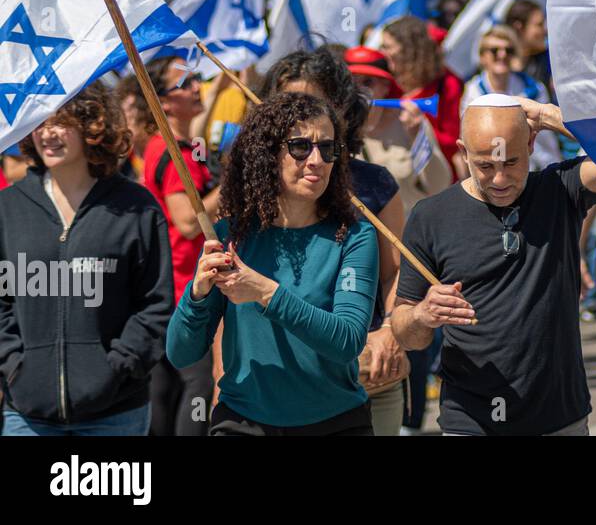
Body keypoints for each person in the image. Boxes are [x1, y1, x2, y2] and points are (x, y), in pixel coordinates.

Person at [391, 95, 596, 435]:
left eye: (511, 162)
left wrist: (548, 115)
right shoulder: (430, 217)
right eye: (485, 165)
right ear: (463, 153)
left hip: (558, 418)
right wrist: (423, 315)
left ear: (531, 143)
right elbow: (404, 331)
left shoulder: (559, 190)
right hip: (471, 420)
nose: (499, 179)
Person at [165, 92, 379, 436]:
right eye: (300, 147)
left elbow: (348, 340)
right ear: (268, 155)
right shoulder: (229, 235)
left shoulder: (355, 235)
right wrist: (198, 295)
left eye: (327, 148)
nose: (316, 160)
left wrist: (265, 292)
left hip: (335, 423)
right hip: (243, 422)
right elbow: (180, 352)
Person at [0, 83, 173, 436]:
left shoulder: (137, 207)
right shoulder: (8, 208)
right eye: (40, 121)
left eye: (61, 121)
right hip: (27, 416)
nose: (48, 133)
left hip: (116, 413)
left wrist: (116, 369)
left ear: (92, 125)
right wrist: (15, 367)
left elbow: (155, 304)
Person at [261, 49, 410, 436]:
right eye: (287, 107)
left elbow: (396, 274)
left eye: (313, 103)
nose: (303, 120)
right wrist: (221, 374)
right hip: (275, 385)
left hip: (367, 376)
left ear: (341, 110)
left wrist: (390, 330)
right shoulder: (253, 195)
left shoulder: (375, 186)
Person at [142, 56, 222, 437]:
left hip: (172, 284)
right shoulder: (172, 152)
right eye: (185, 83)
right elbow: (189, 222)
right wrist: (231, 185)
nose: (196, 87)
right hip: (179, 286)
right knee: (197, 385)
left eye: (197, 80)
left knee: (169, 387)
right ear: (163, 101)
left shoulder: (183, 146)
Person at [345, 46, 453, 209]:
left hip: (407, 231)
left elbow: (440, 185)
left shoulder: (409, 122)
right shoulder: (337, 125)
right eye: (351, 82)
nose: (359, 91)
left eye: (368, 82)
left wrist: (417, 137)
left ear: (385, 86)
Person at [461, 26, 561, 170]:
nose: (502, 55)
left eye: (509, 50)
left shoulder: (534, 88)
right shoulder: (473, 91)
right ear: (482, 57)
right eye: (494, 50)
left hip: (536, 166)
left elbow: (546, 139)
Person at [380, 15, 465, 179]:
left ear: (409, 49)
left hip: (434, 176)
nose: (382, 53)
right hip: (395, 174)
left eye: (387, 47)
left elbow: (452, 141)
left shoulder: (447, 84)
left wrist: (419, 131)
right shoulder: (386, 82)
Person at [505, 0, 552, 99]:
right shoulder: (497, 63)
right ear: (519, 27)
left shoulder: (549, 60)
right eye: (539, 25)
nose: (545, 30)